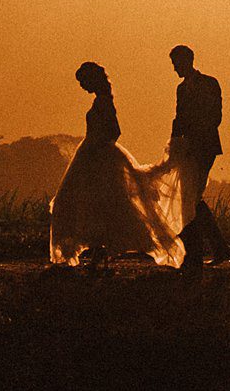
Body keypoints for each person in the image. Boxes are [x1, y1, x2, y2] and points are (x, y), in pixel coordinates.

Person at [47, 62, 185, 268]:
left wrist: (97, 145)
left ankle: (99, 252)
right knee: (96, 204)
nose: (83, 87)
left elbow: (114, 131)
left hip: (98, 156)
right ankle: (98, 252)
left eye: (84, 82)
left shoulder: (104, 103)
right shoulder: (101, 101)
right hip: (92, 154)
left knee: (96, 203)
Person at [169, 43, 227, 270]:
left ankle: (196, 254)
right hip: (188, 148)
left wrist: (194, 138)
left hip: (204, 148)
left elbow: (215, 116)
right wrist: (175, 143)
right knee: (192, 198)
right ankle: (215, 247)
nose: (175, 69)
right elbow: (178, 118)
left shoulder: (210, 83)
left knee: (191, 198)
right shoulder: (181, 89)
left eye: (176, 64)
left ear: (188, 61)